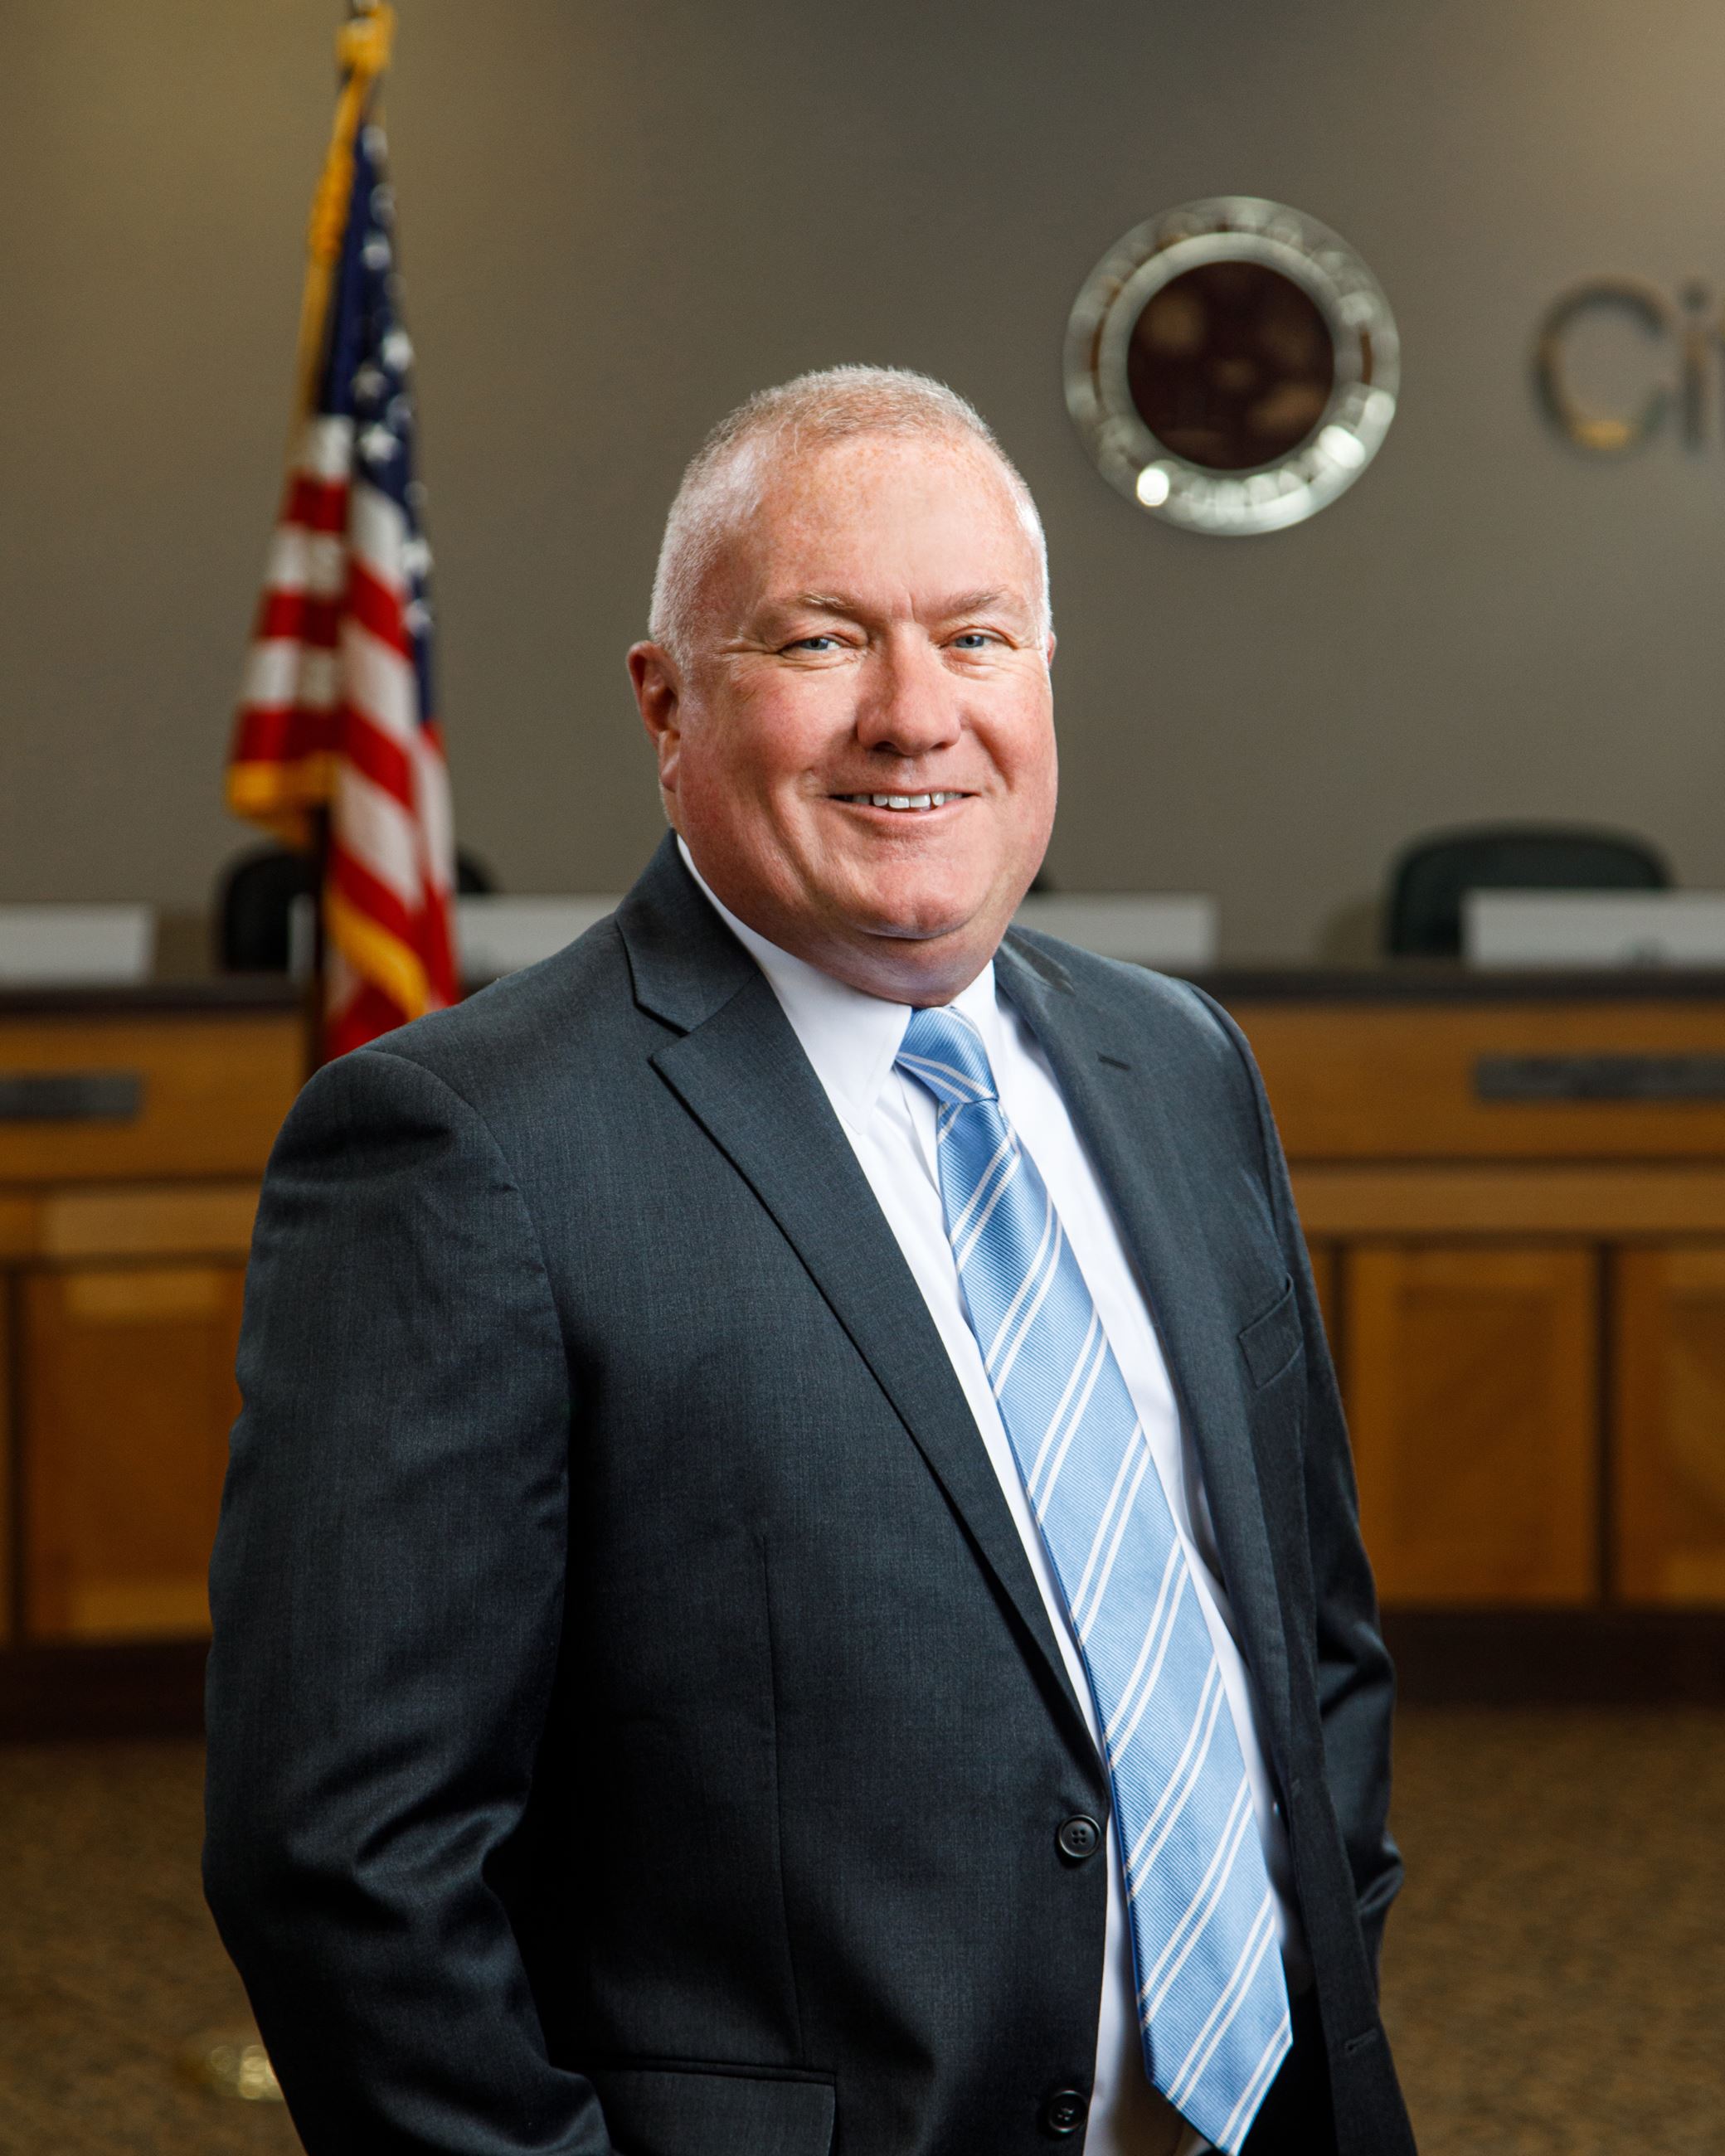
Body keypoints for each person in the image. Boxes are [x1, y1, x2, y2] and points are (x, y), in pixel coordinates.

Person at [204, 367, 1416, 2156]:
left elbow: (1304, 1642)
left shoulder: (1177, 1066)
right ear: (665, 703)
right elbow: (346, 1859)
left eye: (977, 637)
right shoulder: (465, 1151)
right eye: (820, 642)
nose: (913, 715)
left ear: (1042, 678)